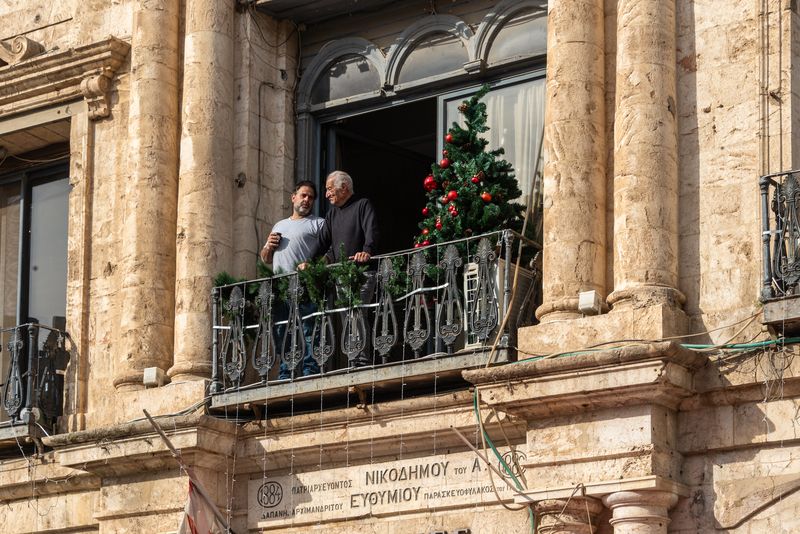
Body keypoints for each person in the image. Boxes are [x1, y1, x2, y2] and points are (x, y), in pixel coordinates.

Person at [314, 170, 380, 367]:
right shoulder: (332, 214)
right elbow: (322, 241)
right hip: (341, 273)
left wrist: (366, 251)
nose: (326, 195)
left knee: (356, 312)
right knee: (348, 316)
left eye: (329, 189)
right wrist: (308, 261)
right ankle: (354, 359)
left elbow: (372, 231)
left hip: (362, 271)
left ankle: (360, 360)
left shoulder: (362, 205)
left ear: (344, 187)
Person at [260, 180, 323, 379]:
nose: (307, 200)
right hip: (281, 287)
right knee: (282, 331)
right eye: (303, 195)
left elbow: (327, 252)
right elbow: (266, 258)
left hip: (305, 285)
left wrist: (312, 265)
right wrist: (269, 246)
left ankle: (309, 371)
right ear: (293, 197)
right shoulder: (280, 225)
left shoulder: (318, 223)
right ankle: (285, 373)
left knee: (308, 329)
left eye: (310, 197)